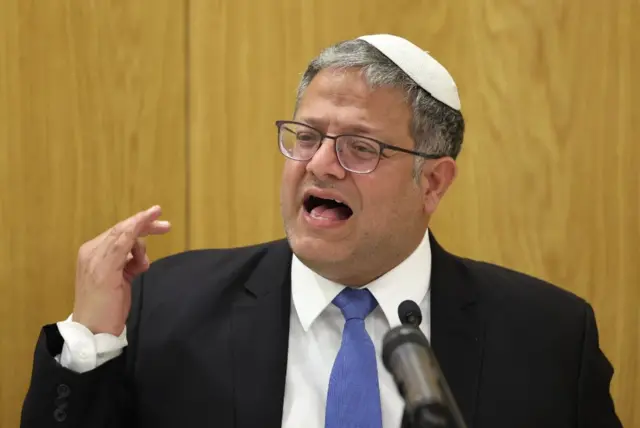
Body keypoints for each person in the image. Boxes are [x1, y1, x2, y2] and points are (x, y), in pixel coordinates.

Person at [20, 34, 621, 428]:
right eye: (306, 137)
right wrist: (90, 340)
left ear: (433, 182)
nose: (319, 164)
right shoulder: (168, 305)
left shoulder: (548, 337)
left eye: (359, 146)